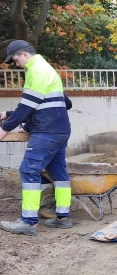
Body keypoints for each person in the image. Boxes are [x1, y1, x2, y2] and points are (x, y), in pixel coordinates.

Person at [0, 40, 73, 235]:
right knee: (59, 174)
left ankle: (28, 221)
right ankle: (63, 217)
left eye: (15, 60)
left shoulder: (36, 71)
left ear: (24, 54)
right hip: (60, 130)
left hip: (47, 131)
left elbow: (27, 106)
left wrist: (5, 127)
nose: (16, 65)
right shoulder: (48, 70)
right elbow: (64, 102)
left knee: (27, 170)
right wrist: (22, 120)